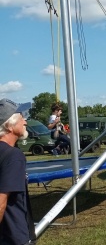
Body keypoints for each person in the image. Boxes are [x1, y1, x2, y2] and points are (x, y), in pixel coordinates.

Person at [0, 98, 36, 244]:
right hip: (12, 237)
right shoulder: (13, 156)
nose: (25, 122)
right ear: (10, 125)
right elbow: (1, 201)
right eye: (22, 117)